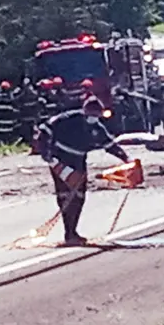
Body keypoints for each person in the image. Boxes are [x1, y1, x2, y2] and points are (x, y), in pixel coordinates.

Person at [36, 96, 130, 245]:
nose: (93, 118)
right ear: (85, 110)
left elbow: (109, 145)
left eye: (96, 116)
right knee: (65, 196)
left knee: (79, 197)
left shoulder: (97, 128)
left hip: (78, 161)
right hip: (60, 160)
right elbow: (45, 129)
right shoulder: (68, 118)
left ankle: (73, 232)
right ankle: (69, 232)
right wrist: (46, 154)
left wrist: (126, 159)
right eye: (91, 114)